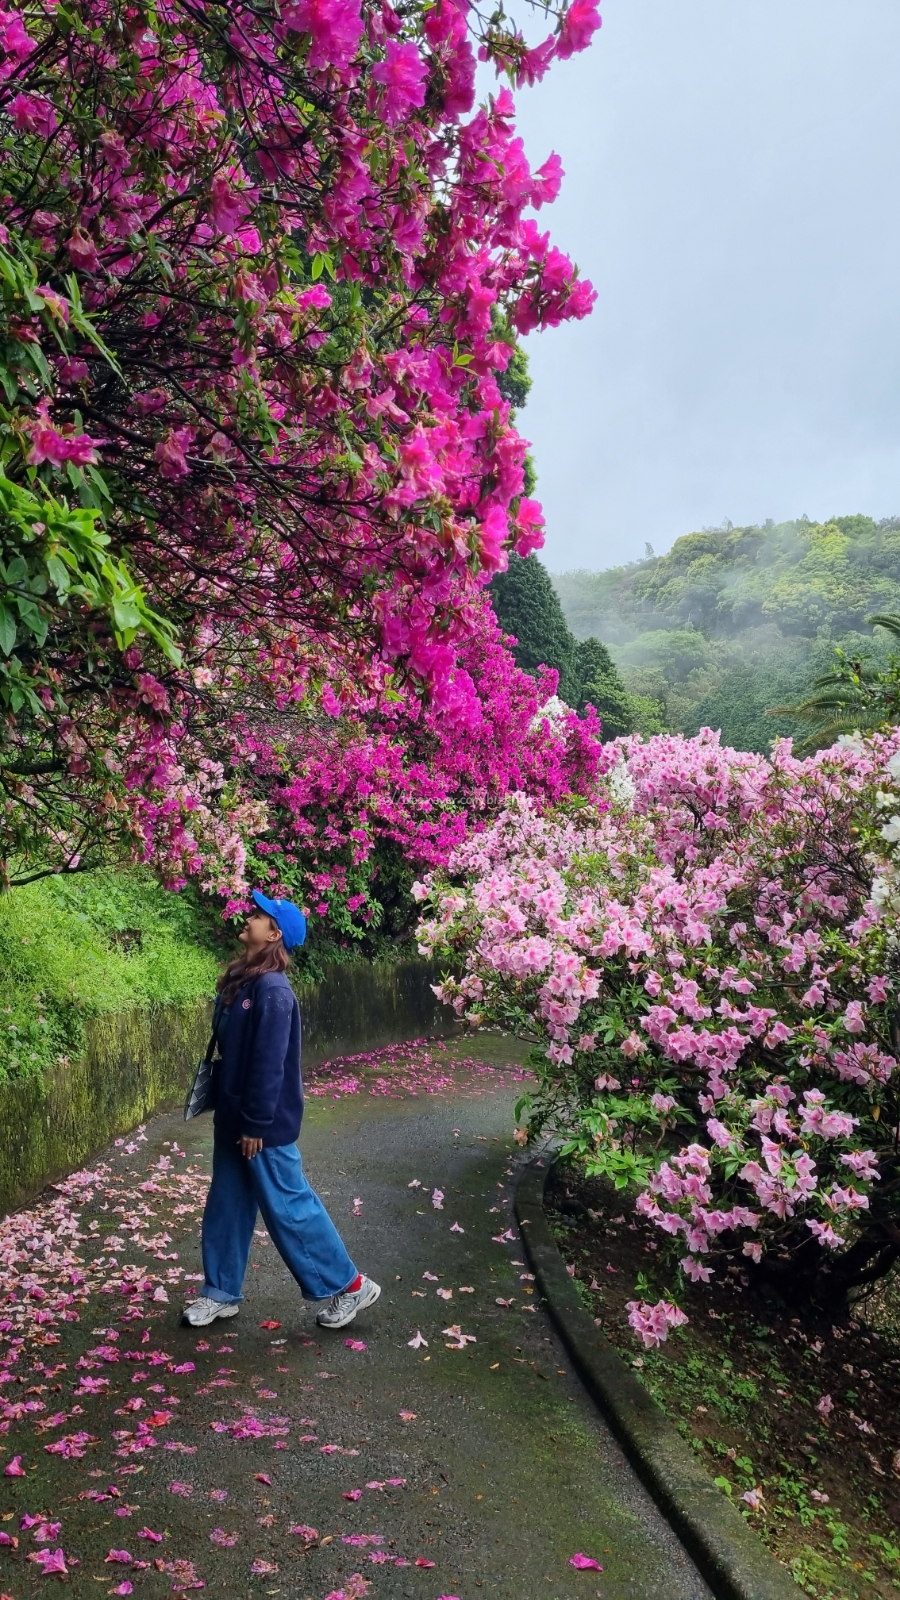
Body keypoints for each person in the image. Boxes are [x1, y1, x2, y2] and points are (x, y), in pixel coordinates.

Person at [182, 890, 381, 1331]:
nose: (248, 917)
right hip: (235, 1116)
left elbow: (269, 1065)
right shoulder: (246, 980)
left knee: (290, 1208)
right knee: (227, 1204)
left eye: (258, 915)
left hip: (262, 1125)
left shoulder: (273, 991)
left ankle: (351, 1287)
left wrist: (255, 1123)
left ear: (274, 933)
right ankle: (220, 1292)